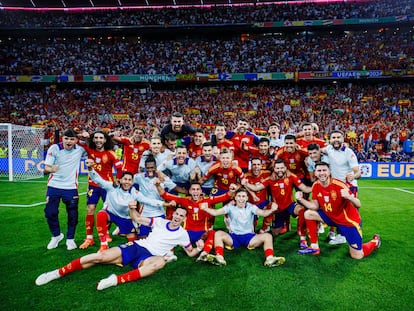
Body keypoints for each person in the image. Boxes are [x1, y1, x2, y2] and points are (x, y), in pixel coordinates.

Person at [35, 206, 204, 291]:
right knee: (100, 257)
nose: (177, 217)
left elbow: (190, 253)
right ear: (172, 214)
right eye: (176, 214)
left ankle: (115, 279)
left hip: (150, 257)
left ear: (184, 220)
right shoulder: (160, 221)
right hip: (138, 246)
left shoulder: (183, 234)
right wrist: (131, 208)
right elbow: (137, 217)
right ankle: (57, 273)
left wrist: (199, 248)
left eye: (181, 216)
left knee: (158, 264)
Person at [296, 161, 381, 259]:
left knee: (357, 256)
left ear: (329, 172)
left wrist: (349, 197)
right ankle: (314, 247)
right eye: (319, 170)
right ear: (315, 173)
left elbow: (358, 204)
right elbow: (314, 206)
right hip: (330, 217)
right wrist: (300, 199)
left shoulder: (340, 185)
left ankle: (375, 242)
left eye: (324, 170)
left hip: (347, 221)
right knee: (308, 214)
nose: (322, 173)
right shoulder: (316, 185)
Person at [85, 159, 170, 252]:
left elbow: (147, 200)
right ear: (120, 180)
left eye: (130, 180)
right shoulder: (111, 187)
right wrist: (90, 169)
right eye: (125, 179)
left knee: (134, 242)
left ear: (132, 182)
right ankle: (104, 245)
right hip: (110, 213)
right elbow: (98, 180)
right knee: (101, 214)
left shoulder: (134, 193)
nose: (127, 182)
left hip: (123, 217)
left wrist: (164, 203)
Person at [200, 188, 285, 267]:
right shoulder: (230, 207)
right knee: (218, 233)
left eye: (243, 196)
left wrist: (272, 210)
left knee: (268, 236)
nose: (241, 198)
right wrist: (205, 208)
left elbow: (263, 213)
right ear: (235, 198)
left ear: (247, 198)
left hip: (249, 237)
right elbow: (215, 212)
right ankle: (219, 258)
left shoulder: (251, 207)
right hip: (233, 237)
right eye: (239, 196)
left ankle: (269, 259)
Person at [154, 181, 237, 263]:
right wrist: (158, 185)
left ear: (201, 191)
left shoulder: (207, 200)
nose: (195, 191)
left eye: (198, 189)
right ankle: (169, 253)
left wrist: (231, 190)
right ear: (189, 191)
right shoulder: (184, 200)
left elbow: (225, 197)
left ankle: (204, 253)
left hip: (202, 233)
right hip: (187, 233)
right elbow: (165, 195)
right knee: (172, 233)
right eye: (193, 189)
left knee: (212, 233)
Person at [243, 159, 311, 248]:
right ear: (274, 169)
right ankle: (285, 224)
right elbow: (256, 188)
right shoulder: (270, 179)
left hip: (290, 205)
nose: (280, 170)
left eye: (282, 168)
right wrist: (246, 184)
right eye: (277, 168)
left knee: (301, 210)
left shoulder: (291, 176)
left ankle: (302, 237)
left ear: (285, 168)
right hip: (278, 209)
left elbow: (305, 188)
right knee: (275, 233)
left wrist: (317, 186)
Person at [43, 129, 86, 250]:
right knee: (50, 212)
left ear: (76, 140)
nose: (69, 141)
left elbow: (94, 145)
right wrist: (51, 169)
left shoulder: (80, 149)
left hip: (71, 187)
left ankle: (70, 239)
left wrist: (87, 136)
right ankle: (56, 236)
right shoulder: (54, 148)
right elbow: (46, 167)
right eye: (66, 138)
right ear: (62, 138)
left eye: (72, 139)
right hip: (54, 186)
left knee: (72, 214)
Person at [79, 130, 123, 249]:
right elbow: (77, 141)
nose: (98, 140)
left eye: (101, 138)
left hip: (107, 187)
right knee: (90, 209)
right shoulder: (89, 150)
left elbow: (119, 168)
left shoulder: (111, 153)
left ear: (105, 140)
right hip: (93, 185)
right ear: (93, 139)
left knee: (108, 211)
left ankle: (106, 232)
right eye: (96, 138)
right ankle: (89, 238)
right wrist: (84, 136)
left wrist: (117, 180)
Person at [323, 130, 361, 245]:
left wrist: (353, 176)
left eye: (338, 137)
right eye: (333, 137)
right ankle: (339, 234)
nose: (336, 139)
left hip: (349, 187)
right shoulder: (328, 149)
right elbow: (317, 150)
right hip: (335, 187)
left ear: (343, 139)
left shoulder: (348, 153)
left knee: (351, 211)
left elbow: (358, 172)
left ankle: (350, 235)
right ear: (330, 139)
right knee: (336, 210)